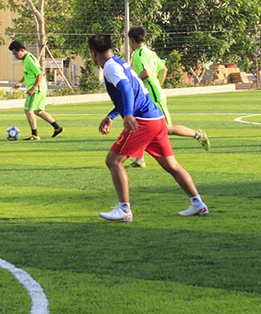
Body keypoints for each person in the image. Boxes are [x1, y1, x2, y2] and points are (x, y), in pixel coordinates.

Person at [88, 34, 208, 222]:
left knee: (113, 161)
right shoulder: (120, 63)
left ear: (93, 53)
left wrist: (128, 115)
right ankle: (198, 204)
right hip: (156, 119)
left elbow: (126, 89)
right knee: (171, 165)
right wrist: (112, 115)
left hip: (143, 121)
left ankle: (124, 210)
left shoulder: (110, 67)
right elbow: (132, 92)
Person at [127, 26, 210, 168]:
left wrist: (133, 83)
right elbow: (163, 69)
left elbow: (146, 73)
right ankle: (139, 159)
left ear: (131, 40)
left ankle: (198, 134)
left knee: (167, 129)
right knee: (139, 125)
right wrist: (158, 84)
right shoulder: (150, 52)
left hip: (153, 97)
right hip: (148, 96)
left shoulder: (139, 54)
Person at [9, 40, 64, 140]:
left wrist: (33, 88)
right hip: (40, 88)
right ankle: (57, 128)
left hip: (36, 88)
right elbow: (28, 73)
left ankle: (35, 134)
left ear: (22, 50)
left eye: (16, 53)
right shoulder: (25, 60)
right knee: (38, 111)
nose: (15, 56)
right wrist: (20, 82)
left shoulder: (29, 59)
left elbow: (40, 73)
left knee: (28, 110)